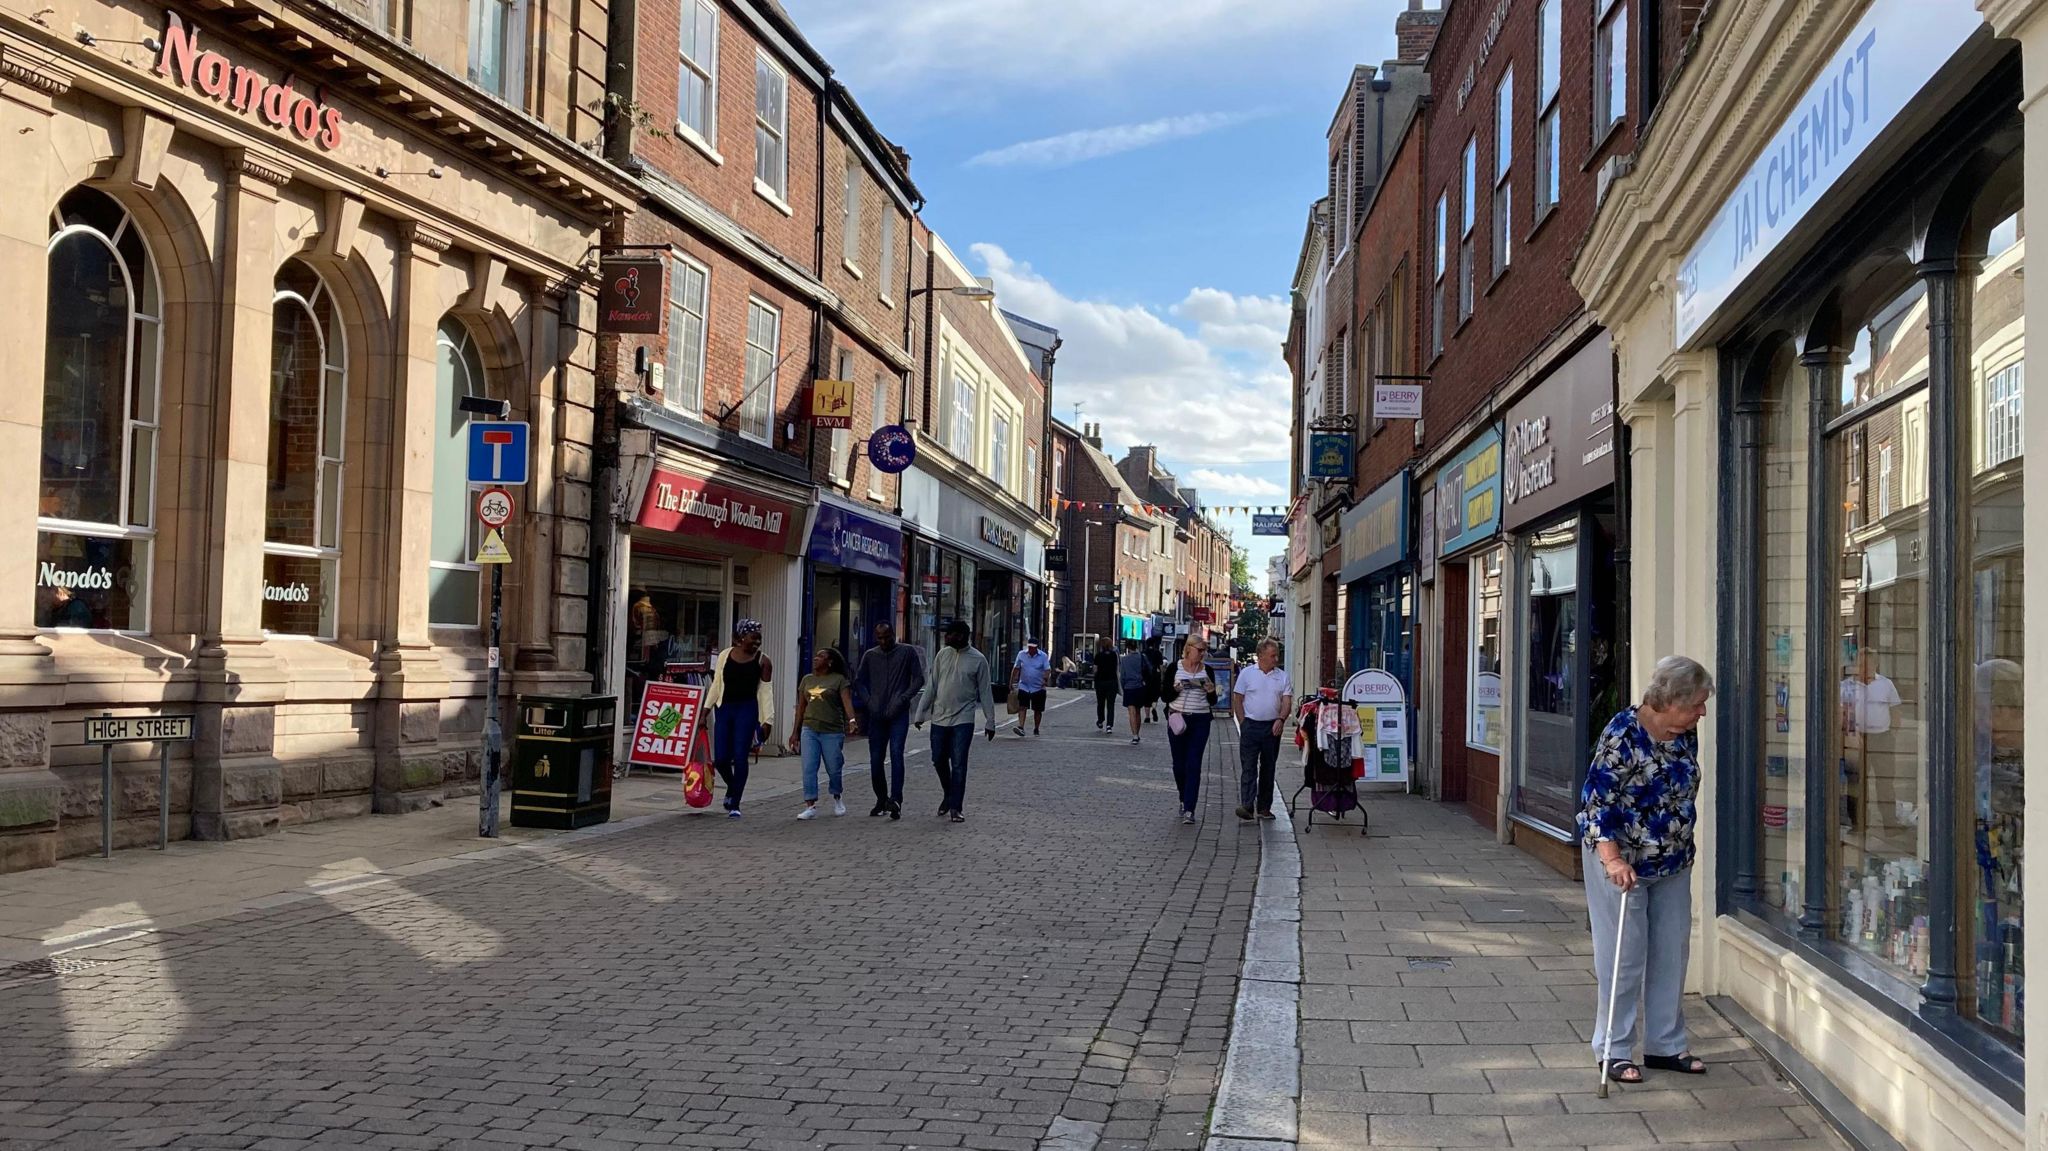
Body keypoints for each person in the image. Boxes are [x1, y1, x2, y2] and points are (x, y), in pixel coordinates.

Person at [1577, 655, 1715, 1085]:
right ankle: (1613, 1049)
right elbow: (1596, 805)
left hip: (1672, 861)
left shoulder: (1682, 734)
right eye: (1695, 704)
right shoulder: (1622, 736)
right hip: (1620, 861)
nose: (1702, 712)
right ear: (1670, 700)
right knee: (1624, 955)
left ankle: (1665, 1045)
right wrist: (1613, 859)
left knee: (1672, 952)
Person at [912, 619, 997, 823]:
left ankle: (956, 807)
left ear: (962, 636)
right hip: (939, 716)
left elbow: (985, 692)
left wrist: (990, 720)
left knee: (959, 763)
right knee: (938, 759)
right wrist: (920, 713)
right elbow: (932, 685)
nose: (946, 637)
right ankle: (948, 794)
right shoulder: (942, 655)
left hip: (964, 717)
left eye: (950, 634)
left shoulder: (978, 660)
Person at [854, 622, 924, 820]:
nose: (883, 641)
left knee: (896, 754)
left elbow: (919, 679)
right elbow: (859, 681)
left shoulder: (907, 652)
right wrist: (868, 701)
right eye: (880, 638)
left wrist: (903, 698)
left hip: (898, 713)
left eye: (887, 637)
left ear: (894, 634)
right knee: (876, 760)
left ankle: (896, 799)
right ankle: (881, 798)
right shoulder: (871, 655)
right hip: (876, 714)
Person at [705, 619, 775, 818]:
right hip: (725, 709)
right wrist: (705, 710)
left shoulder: (764, 661)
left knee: (740, 755)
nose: (757, 642)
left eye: (759, 639)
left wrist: (767, 720)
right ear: (741, 637)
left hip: (747, 709)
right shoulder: (725, 656)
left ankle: (735, 803)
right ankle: (732, 787)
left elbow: (765, 692)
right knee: (721, 759)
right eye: (753, 638)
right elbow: (717, 684)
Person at [787, 647, 857, 819]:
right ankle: (810, 805)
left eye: (821, 656)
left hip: (832, 730)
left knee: (834, 767)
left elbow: (846, 702)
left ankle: (837, 796)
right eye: (816, 655)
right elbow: (800, 708)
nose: (816, 658)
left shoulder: (838, 680)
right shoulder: (807, 680)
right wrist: (795, 732)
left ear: (830, 662)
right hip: (809, 729)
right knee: (809, 767)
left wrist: (852, 720)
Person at [1232, 638, 1291, 822]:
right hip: (1251, 725)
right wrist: (1243, 723)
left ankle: (1265, 807)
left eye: (1277, 655)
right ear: (1260, 656)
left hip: (1272, 726)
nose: (1276, 659)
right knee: (1248, 766)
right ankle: (1247, 805)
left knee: (1268, 768)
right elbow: (1238, 698)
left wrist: (1281, 719)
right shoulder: (1247, 674)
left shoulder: (1282, 676)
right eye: (1273, 655)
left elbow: (1287, 701)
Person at [1164, 637, 1219, 825]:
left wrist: (1211, 691)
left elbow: (1213, 702)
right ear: (1188, 649)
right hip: (1177, 718)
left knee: (1194, 764)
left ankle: (1189, 808)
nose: (1203, 653)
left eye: (1205, 650)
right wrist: (1175, 690)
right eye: (1200, 649)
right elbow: (1164, 696)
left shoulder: (1207, 670)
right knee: (1179, 765)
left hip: (1201, 720)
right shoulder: (1174, 668)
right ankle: (1182, 796)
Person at [1011, 639, 1052, 737]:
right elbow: (1016, 668)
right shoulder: (1021, 654)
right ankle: (1021, 727)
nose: (1031, 649)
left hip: (1038, 687)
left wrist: (1045, 680)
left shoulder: (1043, 656)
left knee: (1037, 710)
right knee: (1022, 707)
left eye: (1033, 647)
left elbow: (1047, 669)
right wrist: (1011, 681)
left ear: (1036, 647)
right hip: (1024, 685)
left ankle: (1036, 728)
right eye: (1029, 647)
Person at [1118, 639, 1152, 745]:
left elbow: (1122, 676)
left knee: (1131, 711)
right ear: (1137, 646)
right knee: (1138, 711)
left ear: (1127, 647)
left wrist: (1122, 687)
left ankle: (1134, 735)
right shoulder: (1142, 657)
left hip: (1129, 687)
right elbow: (1149, 670)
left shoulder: (1124, 660)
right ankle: (1137, 732)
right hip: (1140, 686)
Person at [1092, 638, 1121, 733]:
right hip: (1112, 681)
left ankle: (1100, 720)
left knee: (1100, 703)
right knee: (1110, 704)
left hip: (1100, 681)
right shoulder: (1114, 655)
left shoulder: (1098, 655)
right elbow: (1117, 668)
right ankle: (1109, 725)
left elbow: (1095, 669)